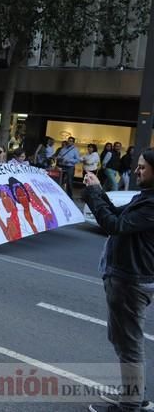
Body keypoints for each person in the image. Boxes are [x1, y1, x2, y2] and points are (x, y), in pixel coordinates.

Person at [82, 150, 154, 412]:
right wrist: (98, 192)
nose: (136, 171)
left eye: (143, 168)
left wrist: (92, 194)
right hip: (128, 278)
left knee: (129, 344)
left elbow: (114, 225)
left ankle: (130, 405)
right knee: (124, 340)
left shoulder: (152, 205)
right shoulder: (145, 198)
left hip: (130, 281)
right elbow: (117, 216)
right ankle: (133, 396)